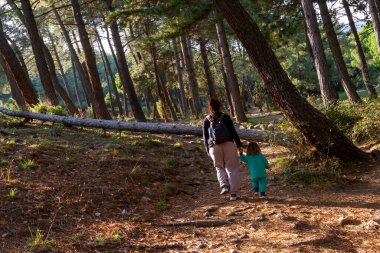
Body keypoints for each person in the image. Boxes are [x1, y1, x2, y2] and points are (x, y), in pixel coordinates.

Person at [203, 98, 243, 201]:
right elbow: (233, 132)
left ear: (210, 107)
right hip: (229, 144)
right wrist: (239, 145)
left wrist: (208, 150)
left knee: (219, 167)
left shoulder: (207, 119)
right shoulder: (226, 117)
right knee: (231, 168)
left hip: (214, 147)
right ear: (220, 106)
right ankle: (233, 194)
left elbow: (205, 137)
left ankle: (224, 186)